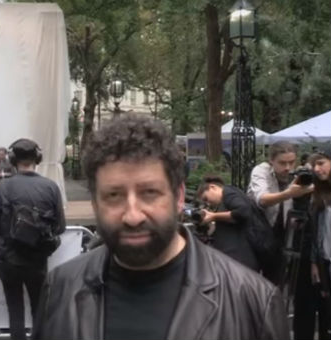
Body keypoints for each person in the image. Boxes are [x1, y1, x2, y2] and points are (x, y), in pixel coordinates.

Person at [32, 115, 288, 340]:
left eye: (150, 193)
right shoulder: (60, 289)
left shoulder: (253, 301)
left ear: (178, 197)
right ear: (95, 203)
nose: (133, 216)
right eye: (114, 196)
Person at [0, 138, 66, 340]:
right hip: (37, 258)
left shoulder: (3, 187)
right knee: (39, 309)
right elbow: (60, 227)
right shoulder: (50, 187)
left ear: (12, 160)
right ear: (37, 159)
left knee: (15, 310)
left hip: (8, 258)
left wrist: (9, 232)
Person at [247, 141, 313, 284]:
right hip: (258, 235)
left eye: (291, 162)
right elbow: (262, 200)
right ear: (271, 160)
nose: (287, 168)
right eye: (282, 163)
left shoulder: (298, 174)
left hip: (283, 237)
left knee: (276, 281)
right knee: (254, 281)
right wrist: (289, 193)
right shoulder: (261, 171)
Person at [196, 175, 259, 270]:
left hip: (239, 261)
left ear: (212, 187)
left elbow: (243, 212)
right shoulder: (224, 201)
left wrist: (213, 216)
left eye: (206, 198)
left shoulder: (228, 193)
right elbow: (234, 219)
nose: (208, 203)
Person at [309, 145, 331, 339]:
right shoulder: (319, 195)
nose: (316, 169)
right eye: (314, 165)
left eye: (321, 163)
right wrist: (315, 262)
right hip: (326, 262)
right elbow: (316, 232)